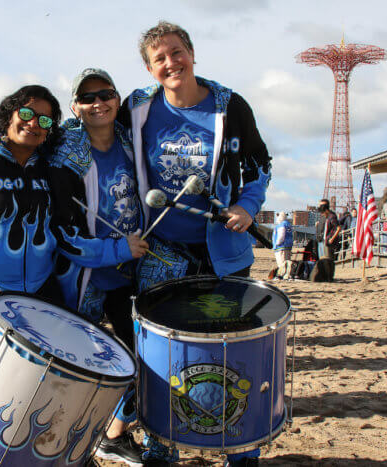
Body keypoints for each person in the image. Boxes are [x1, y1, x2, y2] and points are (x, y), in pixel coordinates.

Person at [0, 85, 147, 466]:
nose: (34, 125)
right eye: (26, 114)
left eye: (44, 120)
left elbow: (67, 237)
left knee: (43, 380)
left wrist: (120, 249)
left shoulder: (46, 169)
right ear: (8, 113)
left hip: (40, 293)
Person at [118, 21, 271, 467]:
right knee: (160, 357)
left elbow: (260, 166)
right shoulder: (139, 107)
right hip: (160, 252)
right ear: (150, 69)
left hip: (221, 256)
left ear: (192, 52)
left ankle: (239, 447)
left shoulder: (231, 105)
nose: (171, 63)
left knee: (228, 350)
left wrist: (247, 207)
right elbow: (100, 137)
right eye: (159, 58)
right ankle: (160, 446)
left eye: (176, 51)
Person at [49, 68, 144, 465]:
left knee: (142, 362)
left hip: (128, 276)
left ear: (117, 100)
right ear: (75, 107)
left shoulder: (131, 140)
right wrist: (120, 249)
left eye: (105, 94)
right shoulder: (62, 153)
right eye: (87, 98)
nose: (97, 103)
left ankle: (114, 435)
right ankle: (67, 449)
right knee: (75, 371)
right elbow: (64, 235)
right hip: (82, 280)